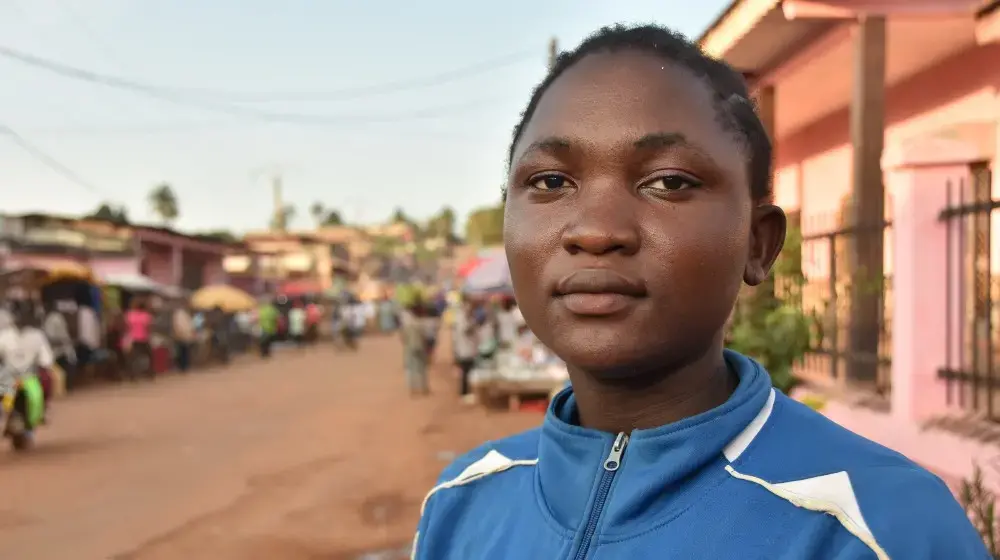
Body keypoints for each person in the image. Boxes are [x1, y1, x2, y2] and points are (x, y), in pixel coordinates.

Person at [412, 25, 987, 559]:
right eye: (551, 182)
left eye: (668, 182)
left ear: (758, 245)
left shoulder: (880, 529)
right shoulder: (461, 503)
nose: (594, 230)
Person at [400, 301, 429, 396]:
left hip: (410, 347)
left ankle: (413, 389)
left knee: (411, 369)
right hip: (420, 347)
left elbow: (403, 337)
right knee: (422, 369)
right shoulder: (421, 323)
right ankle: (424, 388)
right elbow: (425, 337)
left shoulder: (407, 323)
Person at [451, 298, 477, 402]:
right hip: (464, 349)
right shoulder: (461, 317)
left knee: (468, 372)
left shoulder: (464, 317)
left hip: (467, 348)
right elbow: (465, 330)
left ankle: (467, 392)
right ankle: (465, 393)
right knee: (466, 372)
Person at [123, 298, 154, 381]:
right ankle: (149, 373)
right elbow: (149, 328)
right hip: (144, 339)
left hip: (132, 339)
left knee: (132, 358)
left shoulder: (129, 315)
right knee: (149, 356)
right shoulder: (146, 316)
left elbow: (126, 327)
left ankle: (132, 375)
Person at [172, 302, 196, 373]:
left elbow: (189, 324)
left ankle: (184, 366)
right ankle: (182, 366)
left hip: (185, 335)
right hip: (181, 335)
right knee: (182, 351)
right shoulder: (179, 314)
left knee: (184, 351)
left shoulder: (185, 314)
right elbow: (178, 325)